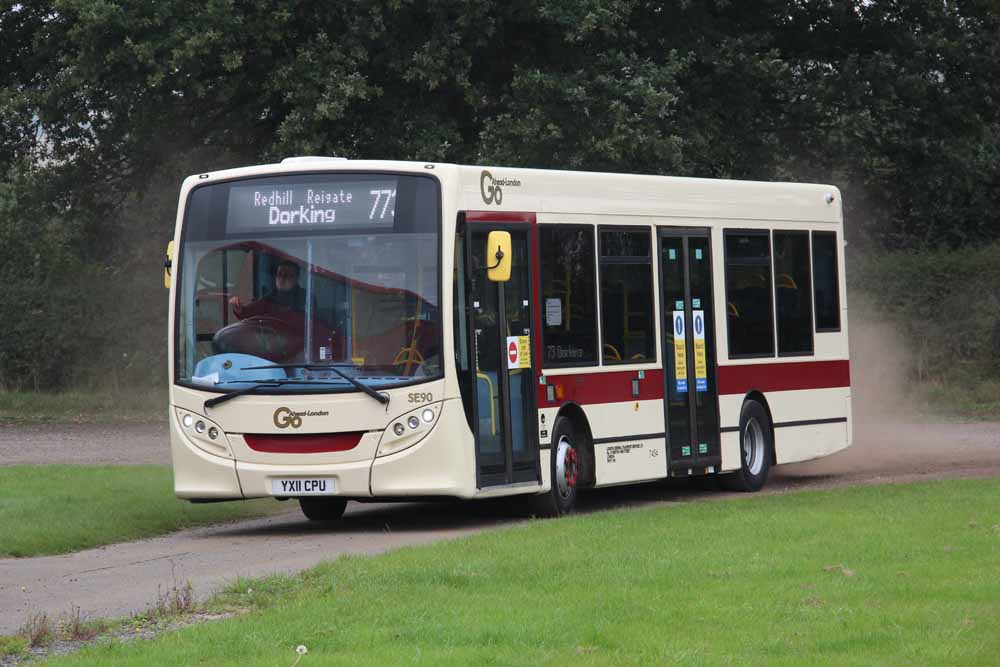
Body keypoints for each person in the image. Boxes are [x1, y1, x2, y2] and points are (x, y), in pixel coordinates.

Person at [229, 260, 307, 319]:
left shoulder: (305, 297)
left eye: (286, 275)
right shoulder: (271, 297)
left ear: (296, 279)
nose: (281, 278)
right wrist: (239, 309)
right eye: (279, 274)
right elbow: (248, 312)